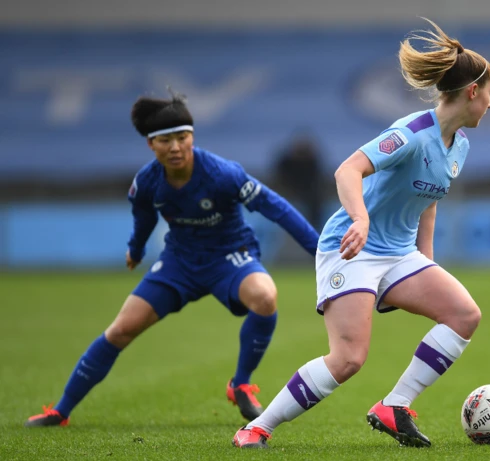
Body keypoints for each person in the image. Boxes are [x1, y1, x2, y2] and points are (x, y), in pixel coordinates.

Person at [233, 18, 490, 449]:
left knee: (465, 315)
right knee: (349, 359)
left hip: (399, 253)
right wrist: (361, 218)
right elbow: (348, 169)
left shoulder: (459, 145)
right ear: (472, 92)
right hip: (351, 248)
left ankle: (395, 405)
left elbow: (428, 202)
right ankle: (256, 428)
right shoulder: (410, 133)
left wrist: (425, 260)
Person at [25, 92, 319, 427]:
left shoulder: (223, 174)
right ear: (152, 144)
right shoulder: (146, 184)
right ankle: (60, 411)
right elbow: (144, 219)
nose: (176, 147)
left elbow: (276, 208)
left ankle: (240, 384)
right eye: (166, 140)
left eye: (183, 138)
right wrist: (135, 249)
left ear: (192, 137)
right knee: (120, 330)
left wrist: (318, 249)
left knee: (265, 297)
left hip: (229, 256)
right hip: (179, 263)